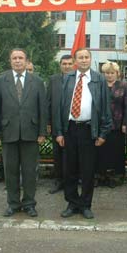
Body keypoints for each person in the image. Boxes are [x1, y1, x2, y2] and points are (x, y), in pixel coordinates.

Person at [54, 48, 112, 219]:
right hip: (70, 129)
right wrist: (59, 132)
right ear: (75, 60)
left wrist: (103, 134)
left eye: (87, 57)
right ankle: (72, 203)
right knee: (69, 170)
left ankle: (86, 204)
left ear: (90, 59)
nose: (84, 60)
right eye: (81, 57)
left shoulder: (99, 79)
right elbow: (59, 108)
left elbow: (105, 108)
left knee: (87, 171)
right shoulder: (67, 78)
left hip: (89, 130)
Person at [0, 48, 47, 217]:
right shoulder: (0, 81)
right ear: (10, 61)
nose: (17, 61)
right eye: (14, 58)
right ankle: (13, 204)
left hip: (31, 133)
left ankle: (29, 203)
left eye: (20, 58)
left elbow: (42, 109)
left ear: (26, 60)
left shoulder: (36, 81)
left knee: (30, 171)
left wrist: (42, 132)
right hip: (9, 133)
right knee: (10, 171)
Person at [97, 61, 127, 188]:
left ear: (117, 73)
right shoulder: (99, 85)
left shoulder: (123, 85)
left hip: (118, 124)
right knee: (101, 151)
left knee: (115, 152)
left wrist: (125, 123)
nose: (109, 75)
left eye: (112, 73)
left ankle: (114, 178)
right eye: (107, 73)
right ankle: (101, 175)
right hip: (101, 124)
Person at [46, 54, 74, 194]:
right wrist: (48, 123)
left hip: (73, 123)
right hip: (57, 123)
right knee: (58, 154)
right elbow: (48, 102)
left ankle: (72, 180)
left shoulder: (77, 79)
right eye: (64, 64)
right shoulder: (53, 80)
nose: (67, 66)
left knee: (72, 154)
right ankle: (58, 180)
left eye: (69, 63)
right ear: (60, 65)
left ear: (73, 64)